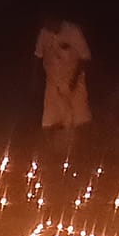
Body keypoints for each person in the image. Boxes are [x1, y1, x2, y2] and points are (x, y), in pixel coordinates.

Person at [34, 15, 92, 155]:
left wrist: (73, 81)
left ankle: (81, 154)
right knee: (50, 122)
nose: (47, 25)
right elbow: (38, 56)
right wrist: (35, 79)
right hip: (53, 83)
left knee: (79, 120)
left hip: (74, 83)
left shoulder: (73, 31)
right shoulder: (44, 33)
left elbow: (85, 58)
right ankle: (52, 155)